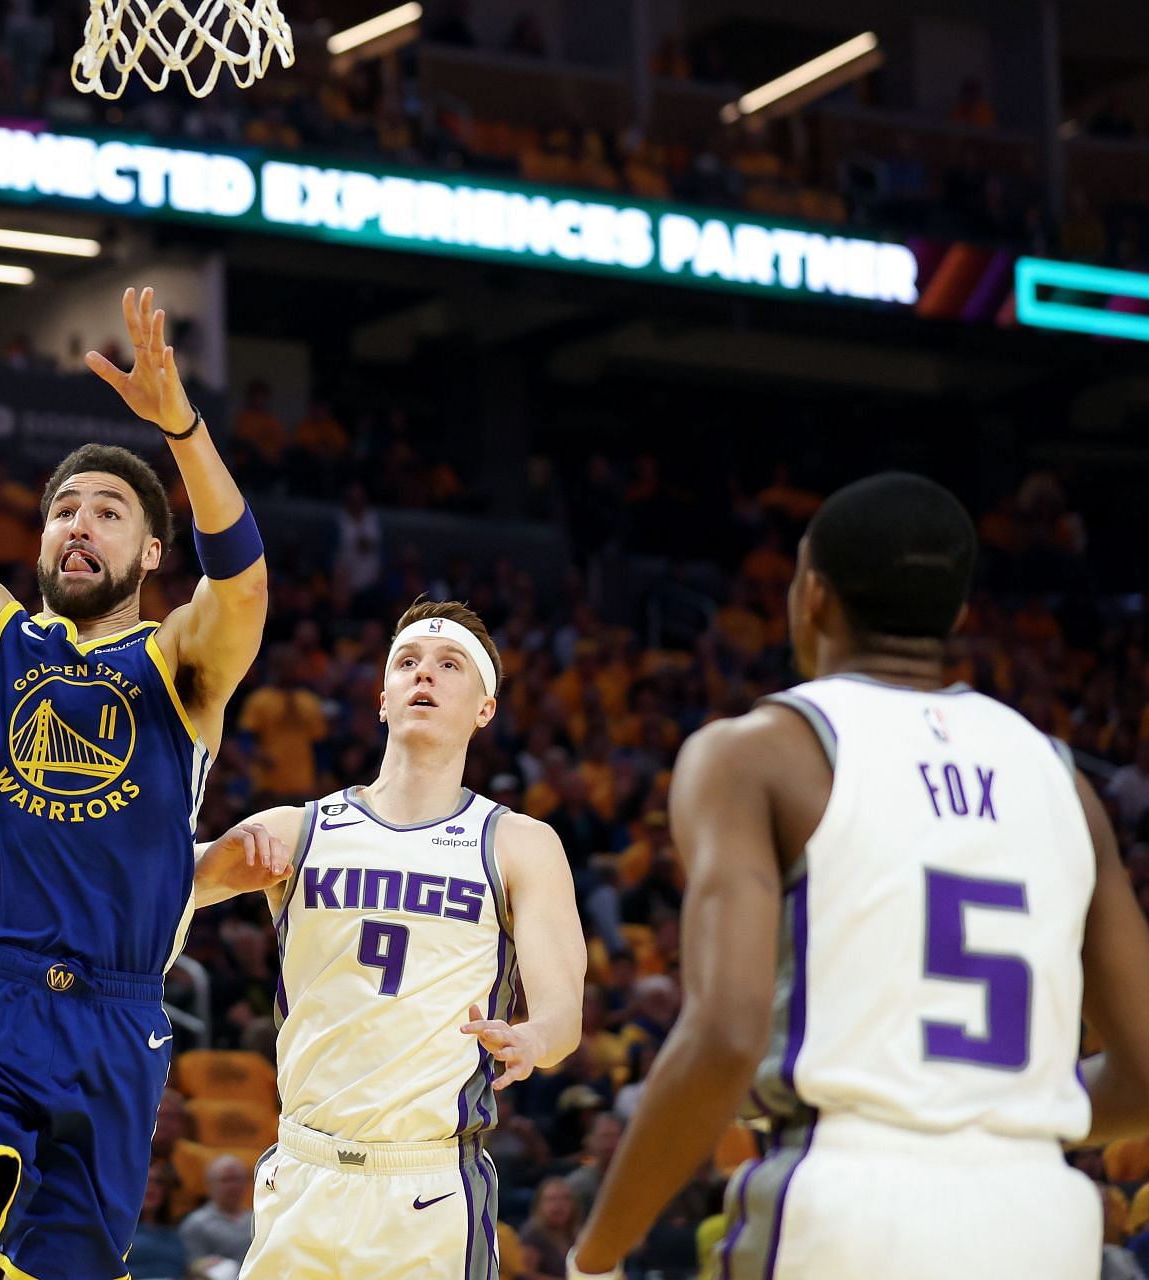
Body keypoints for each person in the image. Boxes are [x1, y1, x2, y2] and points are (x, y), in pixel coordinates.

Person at [0, 130, 267, 1280]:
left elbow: (246, 580)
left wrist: (179, 429)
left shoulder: (184, 669)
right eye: (64, 506)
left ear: (153, 548)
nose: (79, 521)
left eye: (110, 511)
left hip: (118, 1027)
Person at [568, 474, 1149, 1279]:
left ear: (810, 596)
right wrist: (989, 1113)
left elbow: (726, 1035)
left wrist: (595, 1256)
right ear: (957, 616)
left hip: (843, 1207)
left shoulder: (756, 753)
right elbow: (1147, 1070)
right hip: (1045, 1225)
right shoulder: (1065, 782)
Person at [197, 600, 586, 1279]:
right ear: (383, 700)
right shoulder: (297, 830)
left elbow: (563, 1011)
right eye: (406, 663)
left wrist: (534, 1039)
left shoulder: (520, 844)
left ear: (484, 709)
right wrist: (210, 863)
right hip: (304, 1173)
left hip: (429, 1189)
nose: (423, 675)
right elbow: (150, 889)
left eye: (447, 664)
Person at [178, 1154, 252, 1266]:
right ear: (210, 1185)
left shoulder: (257, 1218)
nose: (233, 1186)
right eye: (225, 1180)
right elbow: (192, 1265)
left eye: (237, 1179)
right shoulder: (196, 1223)